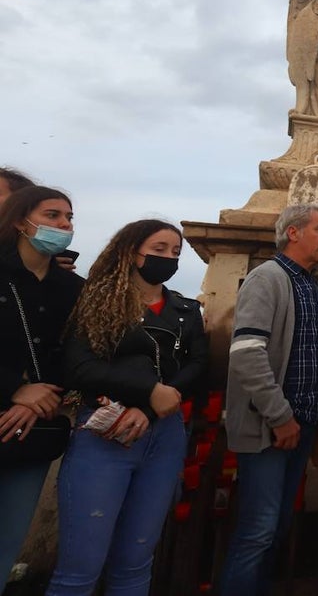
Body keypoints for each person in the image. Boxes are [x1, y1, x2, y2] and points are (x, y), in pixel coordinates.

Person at [47, 219, 207, 595]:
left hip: (164, 433)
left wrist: (152, 407)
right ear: (132, 252)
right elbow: (79, 366)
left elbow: (198, 365)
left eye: (175, 252)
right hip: (105, 430)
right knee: (79, 568)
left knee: (135, 563)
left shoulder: (185, 309)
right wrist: (148, 391)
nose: (168, 257)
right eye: (159, 249)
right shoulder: (96, 301)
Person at [220, 204, 318, 596]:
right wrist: (279, 415)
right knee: (258, 529)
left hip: (300, 425)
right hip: (269, 427)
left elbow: (315, 355)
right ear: (294, 233)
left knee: (277, 527)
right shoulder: (267, 278)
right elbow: (248, 353)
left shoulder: (313, 287)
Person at [0, 187, 83, 583]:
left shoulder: (73, 289)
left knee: (7, 539)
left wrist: (40, 398)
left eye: (68, 218)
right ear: (20, 220)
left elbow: (78, 353)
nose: (64, 225)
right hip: (11, 406)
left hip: (34, 425)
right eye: (52, 215)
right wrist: (14, 389)